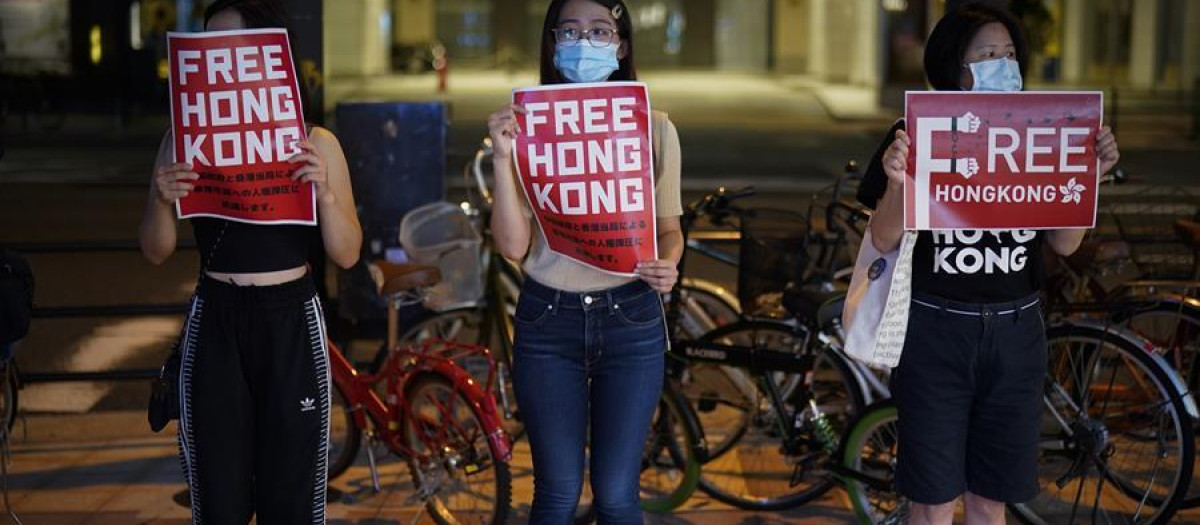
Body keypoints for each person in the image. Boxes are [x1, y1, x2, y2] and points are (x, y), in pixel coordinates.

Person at [856, 3, 1120, 525]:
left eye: (1009, 53)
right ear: (956, 65)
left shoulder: (1043, 131)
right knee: (931, 499)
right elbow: (883, 238)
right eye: (988, 54)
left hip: (1015, 333)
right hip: (935, 332)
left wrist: (1091, 171)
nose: (1004, 62)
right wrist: (895, 180)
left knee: (990, 498)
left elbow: (1064, 244)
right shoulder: (915, 131)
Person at [138, 0, 362, 522]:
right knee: (219, 497)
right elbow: (155, 249)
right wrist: (158, 196)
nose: (222, 60)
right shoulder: (182, 140)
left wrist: (325, 196)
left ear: (271, 54)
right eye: (210, 47)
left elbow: (347, 253)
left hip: (290, 317)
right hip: (216, 315)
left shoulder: (315, 142)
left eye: (235, 46)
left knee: (292, 495)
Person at [485, 0, 683, 523]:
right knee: (557, 490)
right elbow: (511, 246)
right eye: (569, 32)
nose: (583, 43)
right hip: (548, 320)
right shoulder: (525, 128)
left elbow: (668, 230)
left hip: (632, 317)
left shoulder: (656, 128)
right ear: (553, 45)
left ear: (620, 47)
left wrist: (671, 263)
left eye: (599, 32)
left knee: (618, 494)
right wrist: (503, 162)